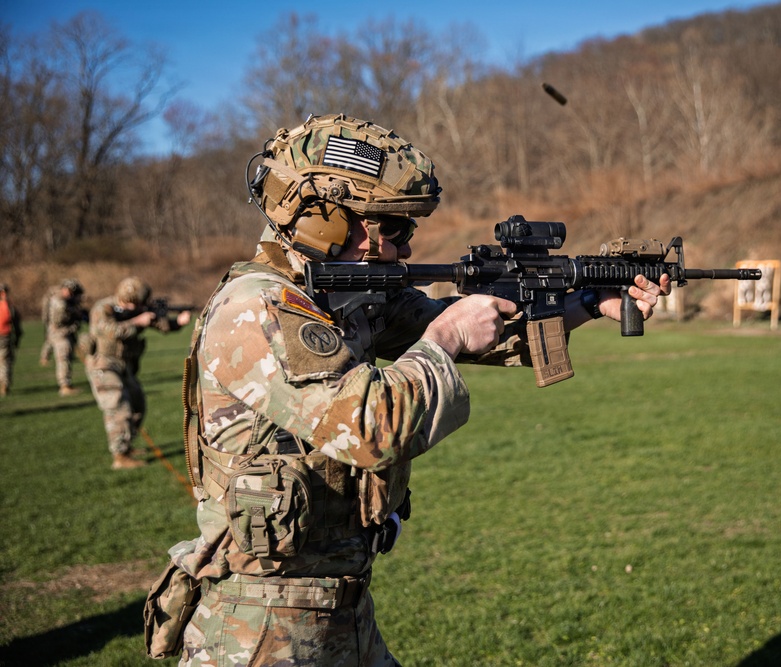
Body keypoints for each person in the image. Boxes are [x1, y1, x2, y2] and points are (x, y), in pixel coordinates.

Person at [165, 114, 669, 666]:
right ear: (322, 218)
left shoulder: (345, 295)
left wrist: (587, 302)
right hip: (260, 624)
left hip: (338, 606)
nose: (402, 248)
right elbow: (369, 427)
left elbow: (474, 330)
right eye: (392, 228)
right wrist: (447, 336)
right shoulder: (258, 309)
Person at [84, 277, 191, 469]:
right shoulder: (103, 309)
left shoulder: (139, 310)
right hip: (103, 365)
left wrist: (179, 322)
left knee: (137, 404)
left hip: (125, 366)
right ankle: (120, 456)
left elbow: (161, 325)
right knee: (118, 407)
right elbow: (109, 331)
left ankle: (127, 445)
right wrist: (137, 322)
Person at [43, 278, 88, 396]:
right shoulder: (60, 302)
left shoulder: (64, 301)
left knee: (66, 358)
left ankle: (66, 384)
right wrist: (76, 313)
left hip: (63, 333)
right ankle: (64, 386)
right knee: (63, 359)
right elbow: (59, 320)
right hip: (60, 334)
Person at [0, 283, 23, 397]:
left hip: (5, 337)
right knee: (5, 362)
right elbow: (17, 325)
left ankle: (4, 384)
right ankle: (4, 384)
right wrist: (17, 338)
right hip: (5, 337)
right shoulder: (9, 307)